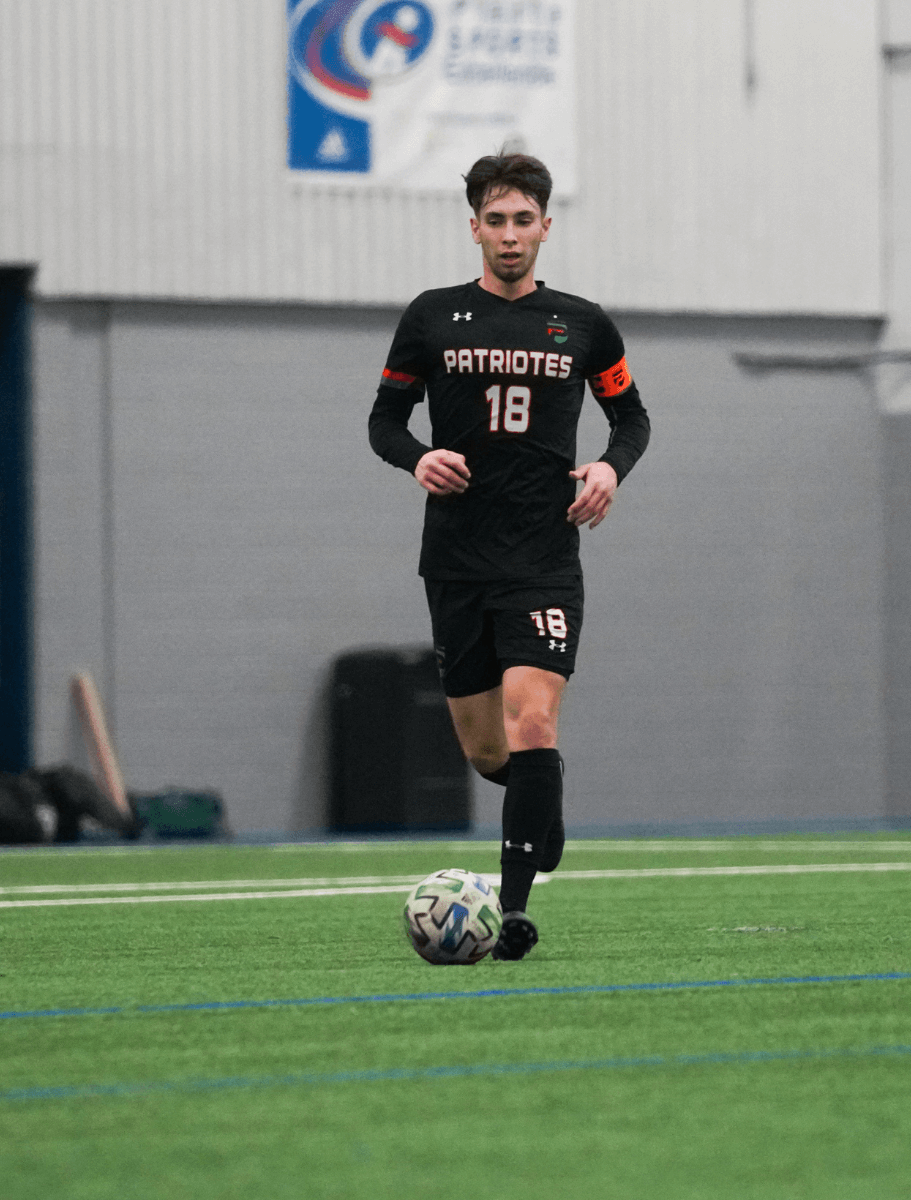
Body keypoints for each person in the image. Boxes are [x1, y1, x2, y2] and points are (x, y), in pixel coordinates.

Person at [368, 153, 651, 960]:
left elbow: (631, 420)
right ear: (475, 230)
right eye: (495, 220)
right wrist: (416, 457)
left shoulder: (583, 324)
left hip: (543, 557)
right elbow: (384, 421)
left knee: (534, 718)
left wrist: (608, 467)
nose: (510, 235)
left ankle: (514, 911)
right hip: (456, 558)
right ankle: (540, 804)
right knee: (489, 749)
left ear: (545, 228)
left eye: (524, 220)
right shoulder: (430, 318)